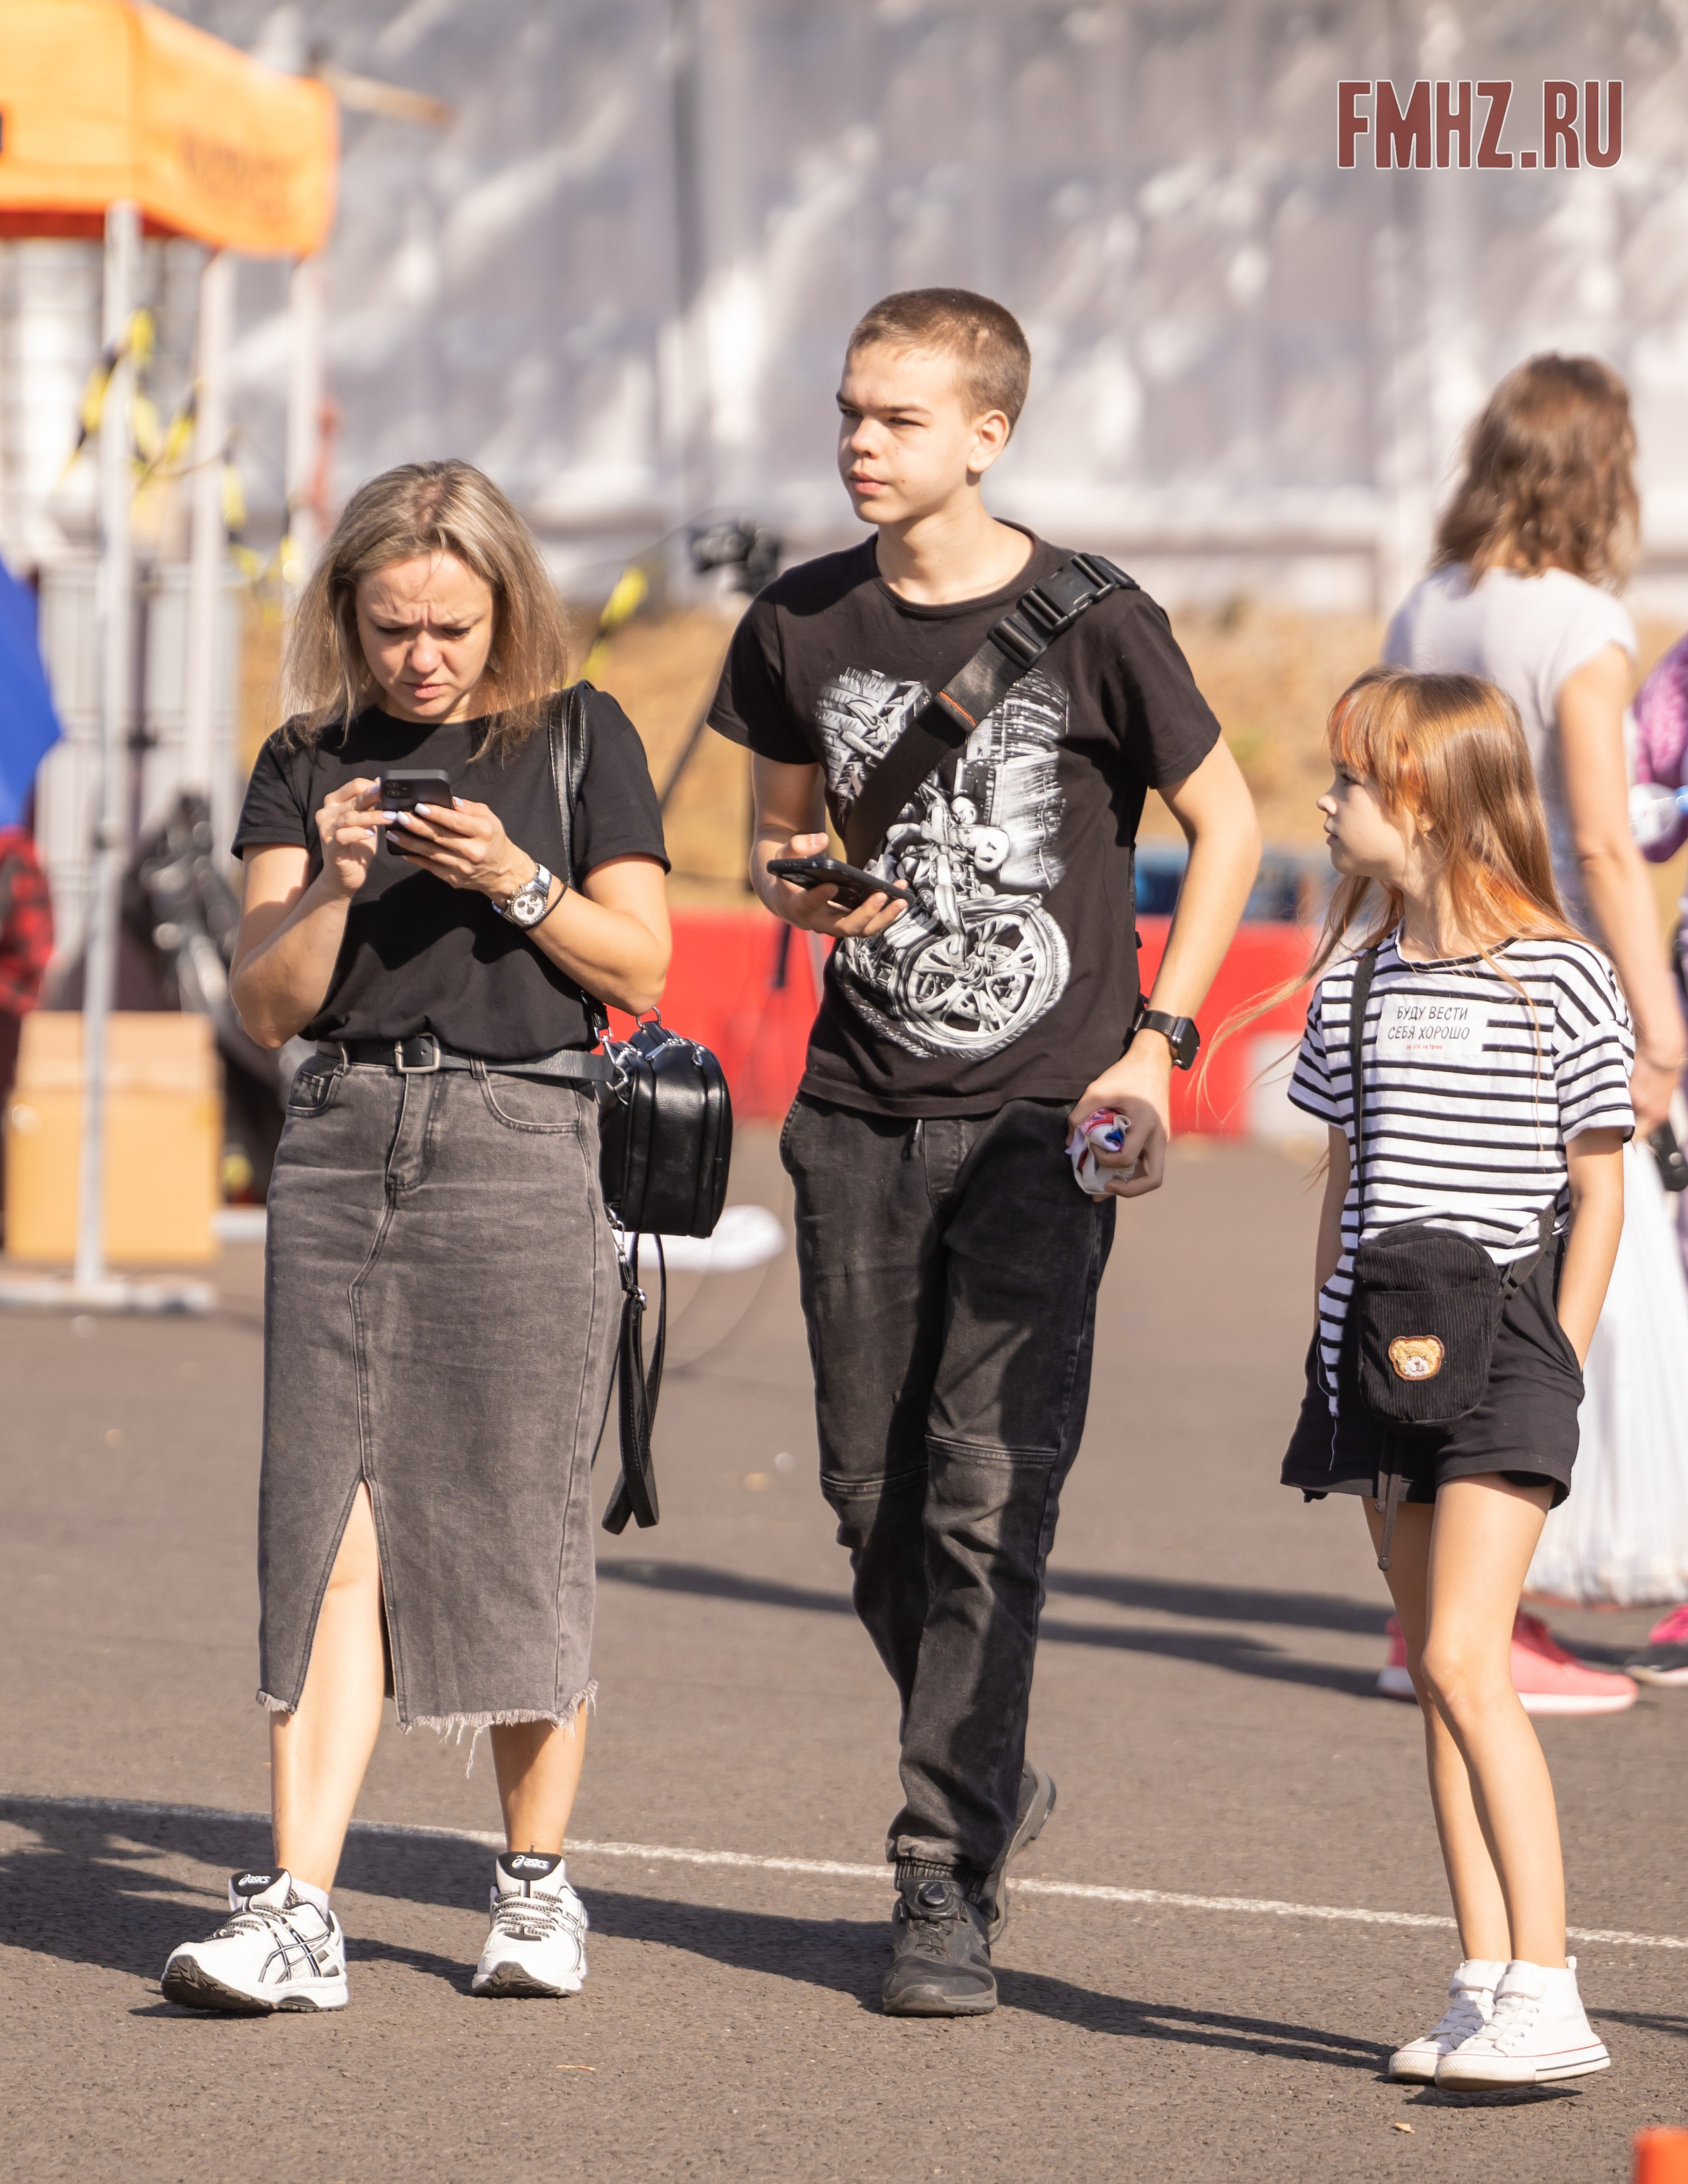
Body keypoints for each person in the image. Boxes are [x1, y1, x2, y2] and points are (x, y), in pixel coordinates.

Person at [707, 287, 1260, 2017]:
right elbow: (765, 841)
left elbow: (1228, 822)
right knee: (869, 1497)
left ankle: (941, 1872)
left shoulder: (1096, 619)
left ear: (986, 434)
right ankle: (988, 1768)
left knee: (984, 1501)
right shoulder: (797, 618)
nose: (858, 443)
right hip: (854, 1115)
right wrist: (804, 890)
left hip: (1040, 1122)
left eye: (895, 417)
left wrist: (1161, 1045)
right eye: (848, 411)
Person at [160, 460, 671, 2015]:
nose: (422, 656)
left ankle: (535, 1884)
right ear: (347, 613)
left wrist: (514, 878)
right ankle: (300, 1907)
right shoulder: (304, 757)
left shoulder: (578, 736)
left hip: (520, 1137)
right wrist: (330, 880)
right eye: (391, 627)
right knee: (323, 1528)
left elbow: (637, 963)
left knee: (516, 1519)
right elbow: (266, 1008)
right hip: (336, 1142)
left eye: (452, 626)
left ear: (506, 605)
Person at [1282, 668, 1631, 2089]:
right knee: (1429, 1670)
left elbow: (1598, 1189)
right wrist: (1326, 1348)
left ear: (1422, 799)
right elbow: (1343, 1181)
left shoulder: (1560, 973)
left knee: (1462, 1658)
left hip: (1507, 1355)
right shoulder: (1354, 981)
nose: (1327, 803)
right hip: (1378, 1354)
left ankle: (1550, 1987)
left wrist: (1560, 1352)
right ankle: (1484, 1977)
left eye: (1350, 780)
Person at [1382, 354, 1687, 1703]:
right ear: (1597, 474)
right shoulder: (1582, 623)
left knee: (1439, 1277)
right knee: (1564, 1302)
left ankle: (1430, 1619)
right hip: (1556, 979)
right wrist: (1657, 1023)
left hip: (1436, 962)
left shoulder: (1427, 603)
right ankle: (1484, 1625)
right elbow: (1605, 846)